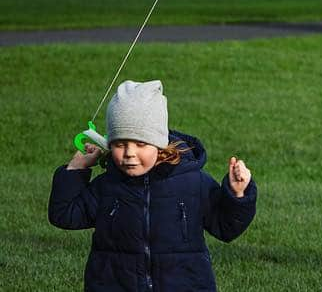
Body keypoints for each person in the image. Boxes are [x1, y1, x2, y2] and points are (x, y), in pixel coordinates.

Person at [49, 80, 257, 291]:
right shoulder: (108, 185)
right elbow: (64, 214)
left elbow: (226, 227)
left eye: (141, 144)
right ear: (109, 145)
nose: (130, 153)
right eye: (120, 144)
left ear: (159, 144)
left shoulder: (192, 182)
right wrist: (75, 169)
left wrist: (237, 194)